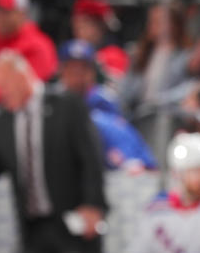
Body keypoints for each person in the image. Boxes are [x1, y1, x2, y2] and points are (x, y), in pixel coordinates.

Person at [0, 51, 106, 253]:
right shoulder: (3, 121)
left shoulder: (67, 105)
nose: (1, 93)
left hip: (73, 222)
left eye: (4, 85)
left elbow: (91, 159)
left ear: (22, 75)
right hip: (32, 229)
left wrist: (93, 204)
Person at [57, 40, 156, 172]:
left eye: (83, 68)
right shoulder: (55, 103)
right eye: (72, 68)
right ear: (62, 71)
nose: (77, 75)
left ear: (92, 72)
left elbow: (124, 146)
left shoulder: (103, 103)